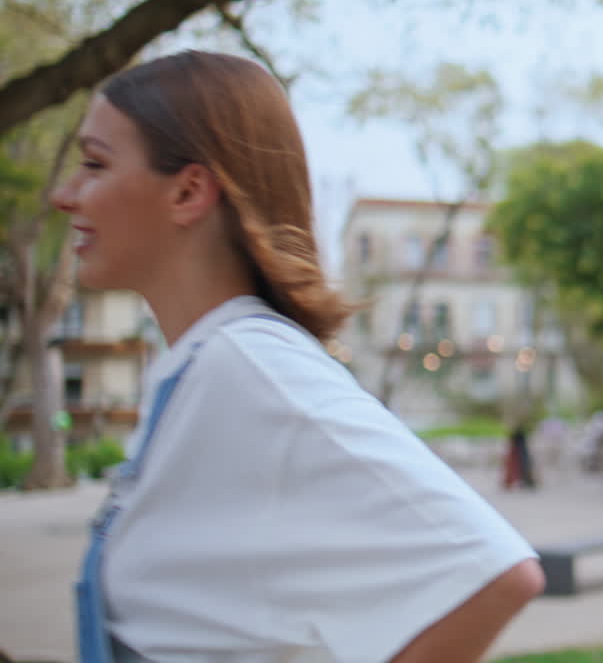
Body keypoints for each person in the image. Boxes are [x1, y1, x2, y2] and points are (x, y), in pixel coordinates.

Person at [54, 51, 543, 662]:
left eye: (94, 164)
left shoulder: (251, 369)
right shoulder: (196, 368)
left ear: (188, 191)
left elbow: (493, 574)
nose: (63, 194)